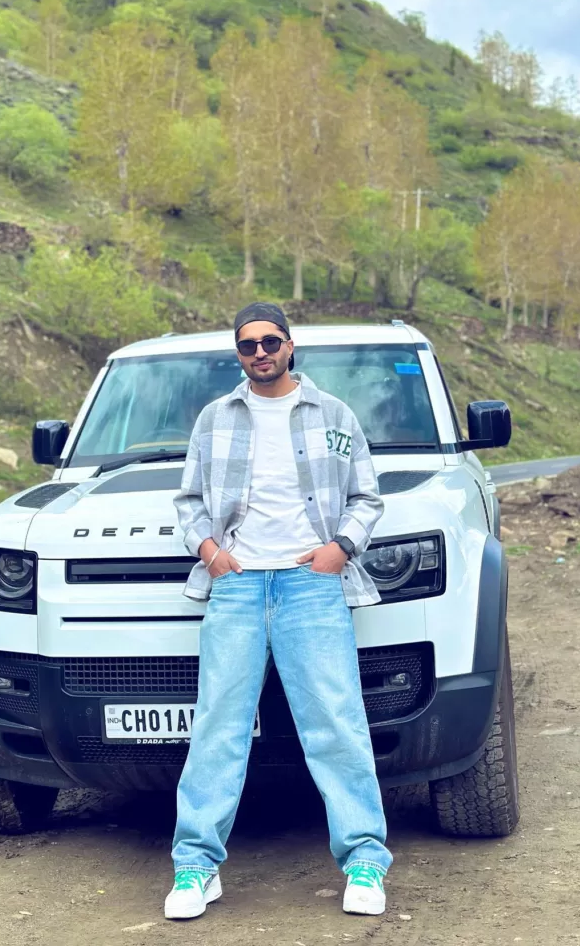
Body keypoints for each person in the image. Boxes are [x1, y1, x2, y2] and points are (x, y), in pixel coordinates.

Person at [165, 302, 391, 921]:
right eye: (247, 345)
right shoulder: (215, 419)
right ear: (237, 355)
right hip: (236, 587)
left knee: (335, 723)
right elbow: (188, 500)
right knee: (218, 725)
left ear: (290, 345)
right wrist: (210, 551)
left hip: (310, 586)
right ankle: (195, 867)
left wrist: (338, 549)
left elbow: (368, 496)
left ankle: (366, 858)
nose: (259, 352)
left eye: (269, 341)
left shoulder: (334, 415)